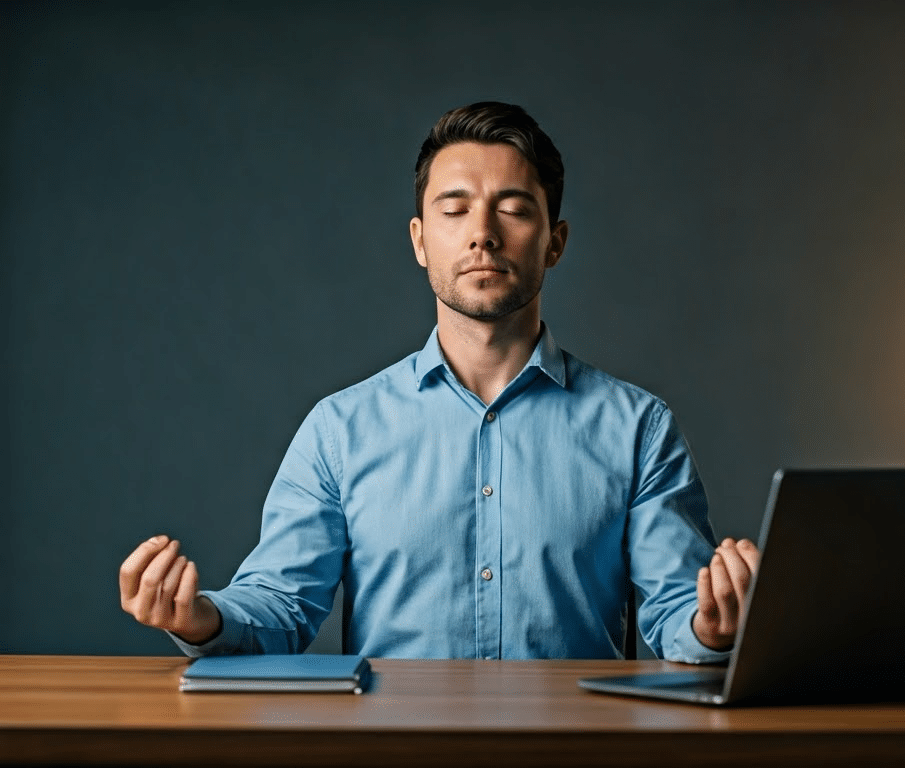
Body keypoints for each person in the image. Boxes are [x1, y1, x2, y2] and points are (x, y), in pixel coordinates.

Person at [118, 102, 758, 661]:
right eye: (455, 210)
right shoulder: (340, 430)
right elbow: (281, 608)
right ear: (421, 241)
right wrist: (203, 621)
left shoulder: (638, 429)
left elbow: (680, 617)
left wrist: (714, 623)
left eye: (513, 209)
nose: (483, 234)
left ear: (554, 243)